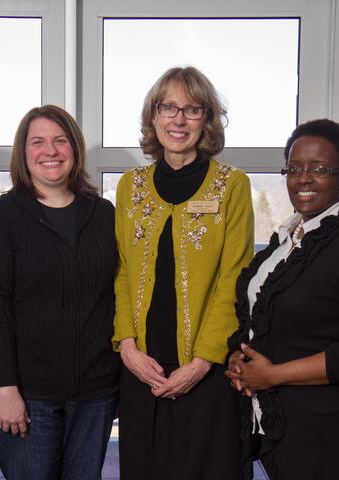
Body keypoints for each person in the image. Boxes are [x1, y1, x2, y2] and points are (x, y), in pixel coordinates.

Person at [226, 119, 339, 480]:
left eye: (320, 169)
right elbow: (262, 315)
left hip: (331, 428)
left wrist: (270, 375)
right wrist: (239, 362)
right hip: (281, 421)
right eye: (294, 168)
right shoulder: (288, 240)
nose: (304, 178)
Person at [113, 66, 254, 479]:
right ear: (153, 116)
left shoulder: (232, 186)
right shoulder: (129, 186)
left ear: (208, 119)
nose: (178, 119)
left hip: (205, 369)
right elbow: (121, 272)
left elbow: (234, 277)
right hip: (143, 368)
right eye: (168, 107)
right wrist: (127, 347)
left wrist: (203, 361)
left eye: (192, 110)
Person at [0, 104, 120, 480]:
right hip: (27, 394)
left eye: (60, 140)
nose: (50, 151)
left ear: (75, 148)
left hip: (95, 393)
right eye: (37, 142)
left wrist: (118, 381)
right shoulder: (2, 216)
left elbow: (118, 299)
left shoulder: (103, 215)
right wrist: (4, 387)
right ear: (23, 153)